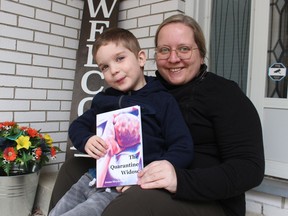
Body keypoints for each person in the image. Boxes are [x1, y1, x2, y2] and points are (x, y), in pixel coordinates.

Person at [49, 14, 265, 216]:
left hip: (205, 198)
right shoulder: (145, 88)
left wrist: (179, 180)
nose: (173, 58)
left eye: (184, 49)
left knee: (132, 200)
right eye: (164, 50)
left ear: (201, 53)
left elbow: (250, 169)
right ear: (153, 55)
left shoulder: (224, 93)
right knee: (73, 167)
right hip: (138, 173)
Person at [48, 27, 193, 216]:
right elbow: (78, 126)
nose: (114, 70)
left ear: (141, 58)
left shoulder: (162, 100)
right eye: (104, 67)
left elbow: (182, 146)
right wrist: (87, 140)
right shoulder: (103, 100)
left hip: (124, 189)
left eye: (119, 58)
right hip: (92, 178)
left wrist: (155, 173)